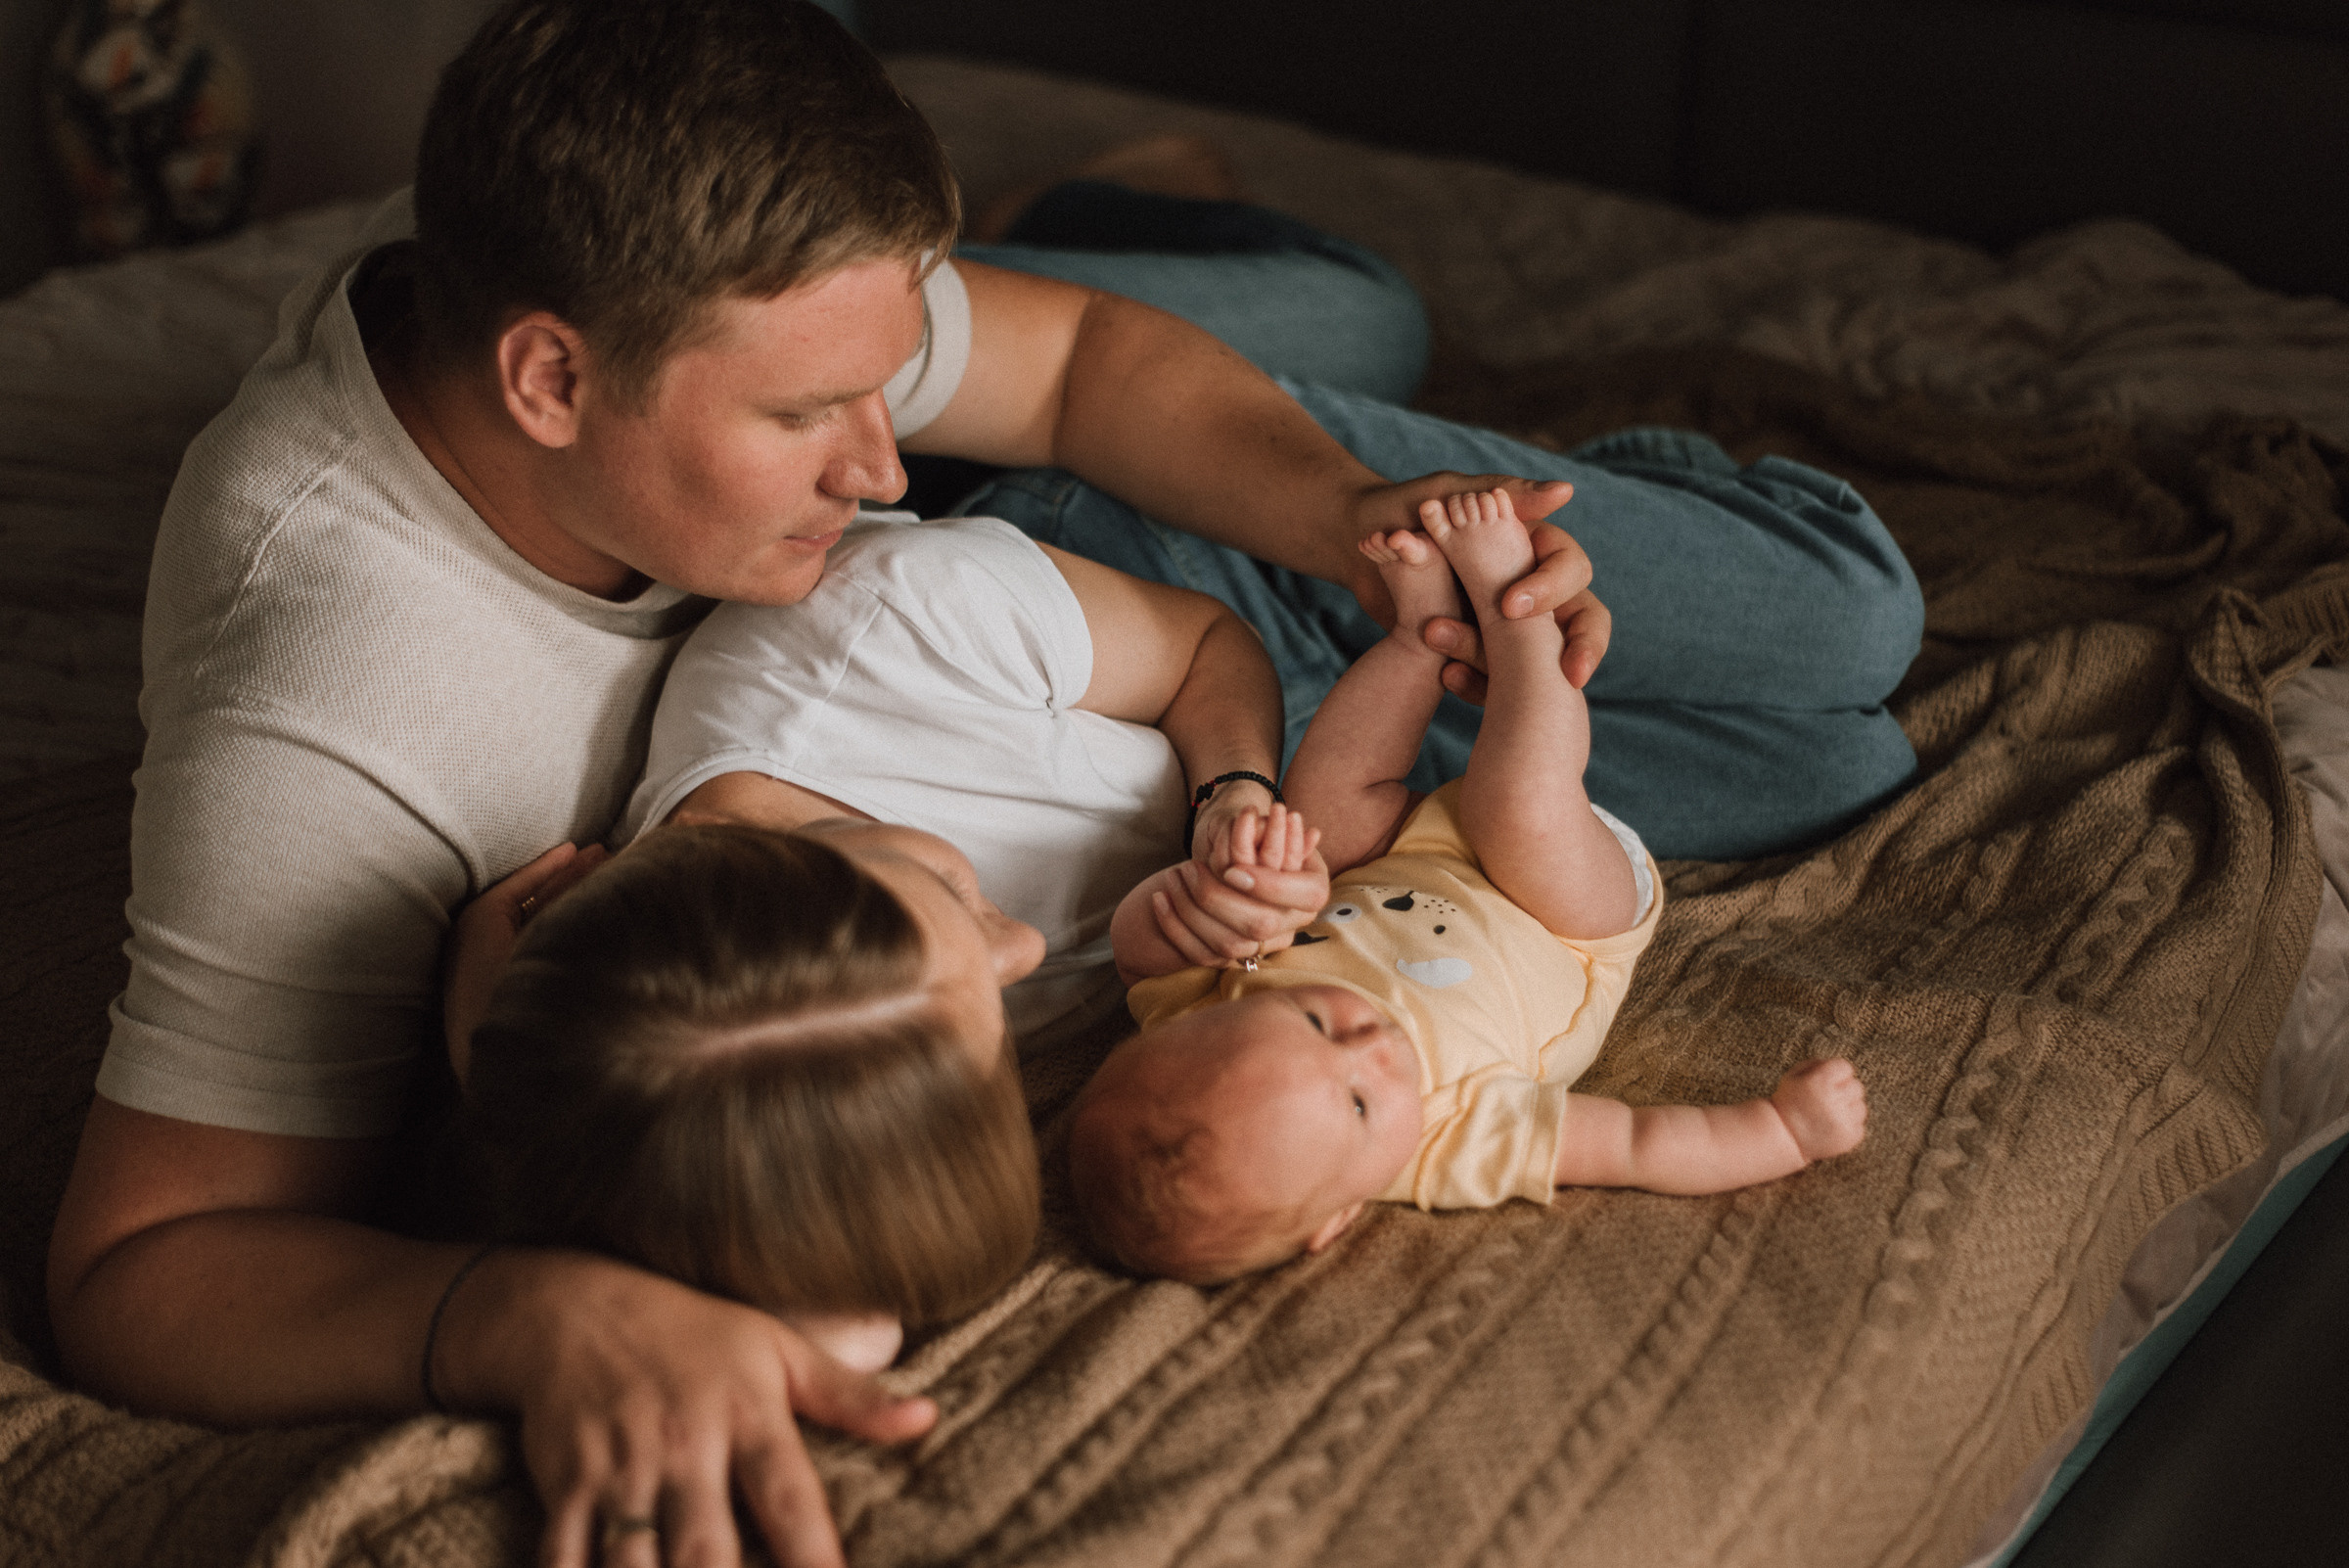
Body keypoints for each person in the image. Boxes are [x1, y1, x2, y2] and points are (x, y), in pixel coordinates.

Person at [47, 7, 1632, 1568]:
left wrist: (1355, 514)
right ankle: (1127, 238)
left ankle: (1079, 221)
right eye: (813, 412)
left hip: (1015, 608)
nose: (882, 459)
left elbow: (1077, 367)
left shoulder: (743, 291)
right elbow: (145, 1263)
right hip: (1003, 624)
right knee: (1758, 712)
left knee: (1361, 325)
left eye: (893, 373)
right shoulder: (330, 719)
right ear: (549, 378)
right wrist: (533, 1314)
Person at [1069, 490, 1869, 1283]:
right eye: (1358, 1105)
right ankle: (1514, 612)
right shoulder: (1454, 1141)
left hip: (1404, 856)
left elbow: (1141, 956)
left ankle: (1422, 638)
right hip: (1565, 912)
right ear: (1339, 1217)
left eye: (1309, 1015)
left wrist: (1212, 894)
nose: (1368, 1044)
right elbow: (1637, 1146)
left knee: (1319, 810)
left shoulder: (1215, 1015)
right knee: (1519, 806)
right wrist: (1784, 1131)